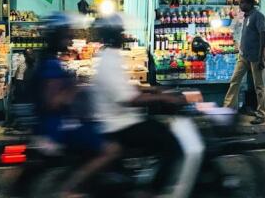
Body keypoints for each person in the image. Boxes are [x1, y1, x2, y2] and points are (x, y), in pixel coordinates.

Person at [13, 13, 118, 197]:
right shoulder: (51, 65)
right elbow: (54, 101)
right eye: (67, 35)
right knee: (111, 150)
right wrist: (77, 87)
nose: (70, 39)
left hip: (53, 125)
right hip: (58, 128)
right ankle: (72, 186)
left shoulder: (45, 60)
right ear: (57, 36)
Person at [92, 14, 184, 197]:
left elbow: (125, 88)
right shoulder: (109, 60)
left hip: (121, 119)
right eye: (120, 32)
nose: (124, 35)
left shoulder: (109, 56)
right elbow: (128, 98)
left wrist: (152, 91)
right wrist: (162, 99)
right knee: (171, 143)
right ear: (113, 35)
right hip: (119, 123)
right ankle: (152, 191)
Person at [224, 0, 265, 125]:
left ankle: (261, 114)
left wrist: (261, 57)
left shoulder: (258, 16)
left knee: (259, 86)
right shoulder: (246, 17)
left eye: (242, 2)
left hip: (255, 57)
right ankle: (227, 109)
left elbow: (263, 35)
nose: (240, 5)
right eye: (240, 2)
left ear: (250, 4)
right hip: (243, 56)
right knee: (234, 81)